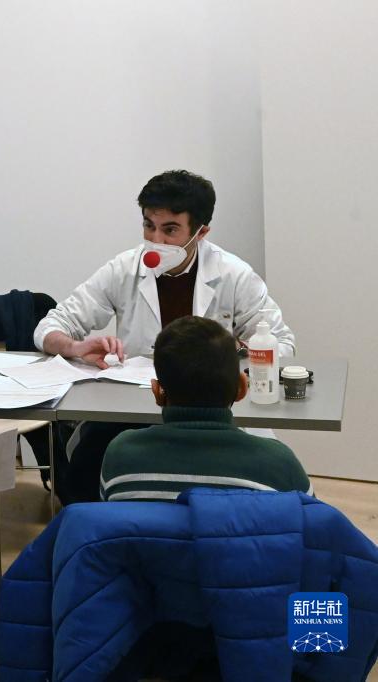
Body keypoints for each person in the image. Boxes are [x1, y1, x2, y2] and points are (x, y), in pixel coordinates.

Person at [34, 170, 295, 503]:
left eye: (170, 229)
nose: (156, 240)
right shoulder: (124, 269)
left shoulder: (233, 275)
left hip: (211, 412)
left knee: (252, 484)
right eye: (148, 225)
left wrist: (238, 351)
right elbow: (48, 328)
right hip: (135, 409)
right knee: (87, 468)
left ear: (201, 232)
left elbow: (282, 344)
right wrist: (76, 346)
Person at [100, 316, 312, 502]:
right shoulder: (278, 463)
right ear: (242, 388)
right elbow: (314, 525)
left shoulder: (121, 455)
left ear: (157, 391)